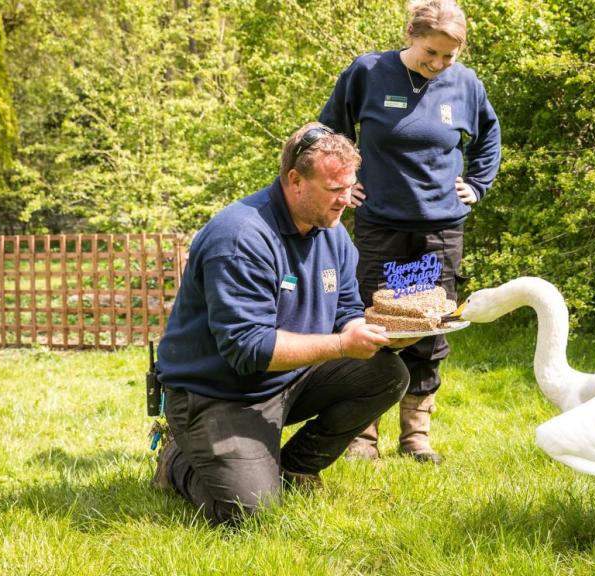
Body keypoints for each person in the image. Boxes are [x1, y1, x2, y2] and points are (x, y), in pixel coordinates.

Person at [152, 122, 415, 526]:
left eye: (350, 187)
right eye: (334, 189)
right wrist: (343, 346)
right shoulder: (240, 237)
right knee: (249, 515)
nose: (346, 199)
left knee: (387, 374)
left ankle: (294, 467)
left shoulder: (334, 234)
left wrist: (387, 333)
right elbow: (247, 349)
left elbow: (346, 310)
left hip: (287, 379)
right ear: (295, 180)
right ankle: (177, 460)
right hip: (218, 393)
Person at [319, 0, 501, 464]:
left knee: (430, 327)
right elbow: (327, 134)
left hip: (440, 230)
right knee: (374, 323)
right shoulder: (366, 73)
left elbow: (488, 137)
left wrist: (478, 185)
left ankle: (416, 436)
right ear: (410, 36)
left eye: (448, 57)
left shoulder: (467, 85)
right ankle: (363, 436)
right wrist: (344, 184)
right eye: (430, 54)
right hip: (381, 225)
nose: (438, 65)